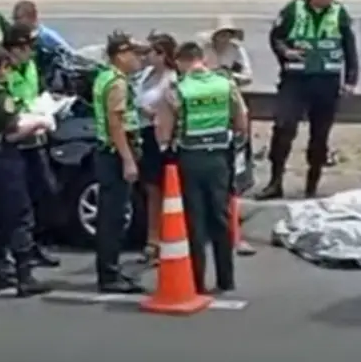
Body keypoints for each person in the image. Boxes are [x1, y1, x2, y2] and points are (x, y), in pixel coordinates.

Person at [257, 0, 360, 200]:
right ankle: (275, 182)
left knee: (320, 136)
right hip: (296, 81)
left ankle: (311, 186)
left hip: (327, 81)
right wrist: (286, 52)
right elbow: (276, 37)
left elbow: (349, 46)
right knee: (284, 128)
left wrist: (351, 79)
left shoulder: (338, 12)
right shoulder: (294, 9)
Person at [0, 44, 53, 297]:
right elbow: (11, 133)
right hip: (1, 158)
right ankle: (25, 277)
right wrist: (39, 122)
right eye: (6, 66)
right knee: (19, 215)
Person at [164, 41, 250, 294]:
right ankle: (226, 279)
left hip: (190, 157)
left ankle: (197, 281)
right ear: (202, 58)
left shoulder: (178, 88)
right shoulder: (225, 83)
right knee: (221, 218)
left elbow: (165, 129)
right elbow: (242, 119)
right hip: (220, 157)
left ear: (181, 62)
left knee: (195, 220)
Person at [92, 31, 147, 294]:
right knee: (113, 218)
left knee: (111, 215)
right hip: (114, 153)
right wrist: (128, 160)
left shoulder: (106, 77)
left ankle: (109, 270)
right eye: (134, 54)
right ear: (121, 56)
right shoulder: (117, 84)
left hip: (108, 152)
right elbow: (116, 124)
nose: (138, 60)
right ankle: (109, 274)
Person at [197, 16, 257, 256]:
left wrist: (229, 76)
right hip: (210, 109)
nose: (225, 38)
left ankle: (232, 231)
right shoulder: (204, 50)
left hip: (230, 105)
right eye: (222, 34)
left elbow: (248, 76)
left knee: (234, 174)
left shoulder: (236, 51)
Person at [4, 23, 61, 268]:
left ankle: (34, 244)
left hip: (35, 139)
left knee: (46, 193)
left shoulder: (30, 67)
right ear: (14, 50)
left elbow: (34, 94)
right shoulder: (4, 72)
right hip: (15, 143)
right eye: (26, 48)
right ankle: (18, 251)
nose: (30, 52)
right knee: (19, 204)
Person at [135, 32, 178, 265]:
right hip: (145, 134)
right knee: (150, 190)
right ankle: (152, 238)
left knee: (162, 191)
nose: (147, 56)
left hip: (160, 136)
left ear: (163, 55)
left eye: (151, 52)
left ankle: (162, 240)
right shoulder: (147, 75)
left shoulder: (170, 79)